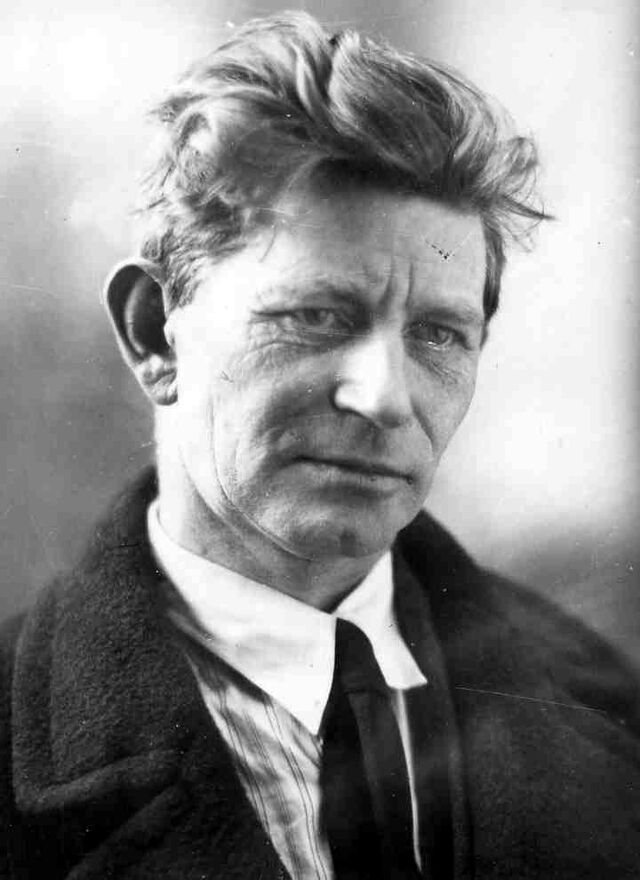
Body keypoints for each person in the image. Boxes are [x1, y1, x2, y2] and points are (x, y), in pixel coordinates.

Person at [1, 11, 638, 879]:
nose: (385, 397)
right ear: (154, 334)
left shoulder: (607, 711)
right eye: (315, 316)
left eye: (439, 335)